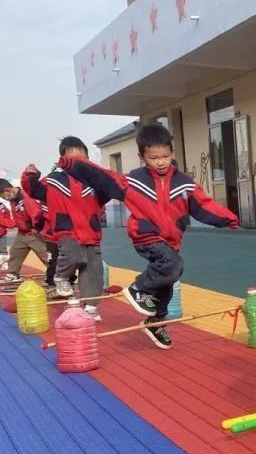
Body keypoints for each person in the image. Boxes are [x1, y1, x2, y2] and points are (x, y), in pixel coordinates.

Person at [60, 122, 239, 349]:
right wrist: (72, 164)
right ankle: (139, 289)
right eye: (153, 158)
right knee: (172, 264)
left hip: (171, 240)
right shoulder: (133, 181)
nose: (161, 162)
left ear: (172, 152)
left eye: (165, 156)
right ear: (142, 156)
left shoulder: (184, 184)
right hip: (146, 236)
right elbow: (101, 176)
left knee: (168, 279)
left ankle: (156, 321)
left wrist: (227, 218)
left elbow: (204, 205)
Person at [21, 137, 102, 317]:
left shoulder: (94, 182)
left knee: (93, 273)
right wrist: (30, 176)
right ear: (63, 161)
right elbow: (33, 190)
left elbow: (105, 198)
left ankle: (90, 307)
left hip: (92, 233)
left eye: (83, 159)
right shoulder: (54, 181)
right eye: (73, 160)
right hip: (67, 231)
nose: (78, 164)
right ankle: (61, 276)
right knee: (71, 256)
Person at [0, 177, 50, 283]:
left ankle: (58, 274)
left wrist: (36, 229)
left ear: (7, 191)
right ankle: (13, 274)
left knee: (44, 255)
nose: (4, 199)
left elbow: (37, 215)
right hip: (22, 233)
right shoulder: (13, 199)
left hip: (33, 232)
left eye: (2, 196)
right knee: (15, 252)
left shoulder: (26, 198)